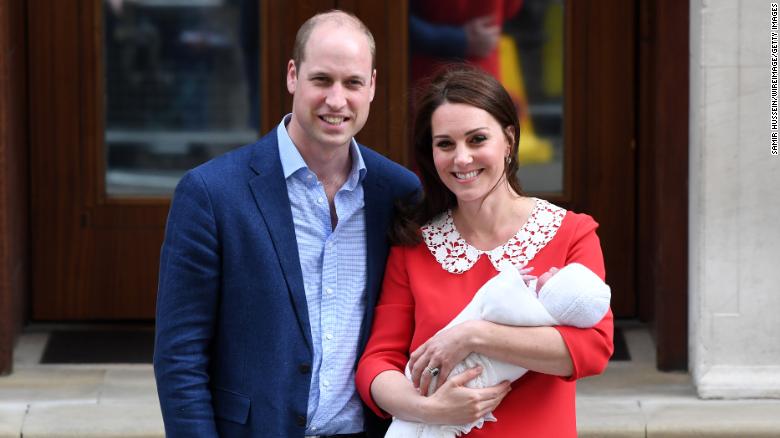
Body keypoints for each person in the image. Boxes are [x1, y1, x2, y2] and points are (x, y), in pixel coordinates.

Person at [153, 10, 419, 438]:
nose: (336, 100)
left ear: (371, 85)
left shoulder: (399, 193)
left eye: (352, 83)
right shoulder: (211, 193)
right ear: (293, 76)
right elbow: (179, 355)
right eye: (322, 80)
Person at [355, 65, 614, 437]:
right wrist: (429, 409)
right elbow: (377, 363)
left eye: (477, 139)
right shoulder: (414, 245)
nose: (461, 158)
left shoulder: (572, 233)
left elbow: (593, 348)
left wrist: (473, 336)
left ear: (508, 139)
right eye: (445, 144)